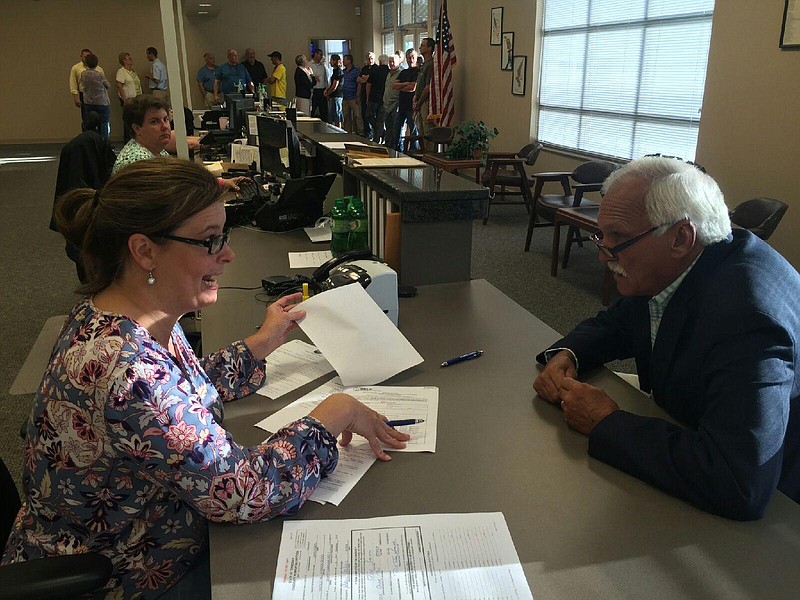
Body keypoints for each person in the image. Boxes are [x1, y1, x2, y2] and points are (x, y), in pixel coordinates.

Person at [2, 158, 410, 598]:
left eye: (224, 236)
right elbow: (244, 493)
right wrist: (336, 412)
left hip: (135, 533)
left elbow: (180, 387)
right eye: (209, 241)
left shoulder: (123, 314)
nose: (228, 254)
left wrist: (261, 342)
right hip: (127, 572)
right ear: (144, 251)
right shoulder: (128, 371)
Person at [533, 155, 800, 521]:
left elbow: (739, 482)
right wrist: (568, 354)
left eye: (619, 238)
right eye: (601, 234)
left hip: (778, 504)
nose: (601, 254)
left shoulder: (748, 319)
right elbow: (620, 324)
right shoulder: (684, 259)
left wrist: (606, 422)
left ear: (680, 237)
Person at [69, 48, 105, 131]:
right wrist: (76, 97)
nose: (86, 58)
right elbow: (73, 84)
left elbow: (104, 83)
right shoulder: (76, 68)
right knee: (87, 119)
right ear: (81, 57)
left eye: (88, 56)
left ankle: (100, 139)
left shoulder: (99, 69)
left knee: (100, 119)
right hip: (84, 95)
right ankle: (87, 138)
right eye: (84, 56)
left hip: (98, 96)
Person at [80, 54, 111, 139]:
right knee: (104, 123)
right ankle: (104, 143)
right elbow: (108, 85)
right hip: (101, 102)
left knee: (89, 124)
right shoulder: (99, 75)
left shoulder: (83, 74)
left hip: (88, 102)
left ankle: (90, 141)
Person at [394, 48, 419, 151]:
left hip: (412, 106)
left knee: (413, 130)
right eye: (408, 58)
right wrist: (406, 83)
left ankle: (413, 151)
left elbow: (412, 88)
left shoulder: (418, 71)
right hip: (402, 105)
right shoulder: (404, 72)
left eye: (412, 57)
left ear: (416, 58)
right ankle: (398, 150)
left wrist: (402, 86)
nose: (410, 59)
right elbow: (394, 85)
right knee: (397, 129)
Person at [413, 38, 436, 150]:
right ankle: (423, 153)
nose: (420, 47)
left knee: (427, 130)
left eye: (422, 45)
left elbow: (428, 87)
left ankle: (429, 156)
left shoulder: (431, 64)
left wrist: (419, 102)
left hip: (426, 102)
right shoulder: (423, 64)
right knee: (420, 130)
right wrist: (415, 98)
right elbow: (419, 84)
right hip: (419, 101)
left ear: (429, 48)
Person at [115, 52, 142, 142]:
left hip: (137, 99)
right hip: (128, 100)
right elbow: (119, 86)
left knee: (137, 119)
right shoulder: (121, 72)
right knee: (128, 120)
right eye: (129, 58)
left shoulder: (133, 72)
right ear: (124, 61)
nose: (131, 60)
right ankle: (128, 140)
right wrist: (125, 99)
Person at [366, 54, 390, 144]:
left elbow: (368, 85)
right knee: (380, 120)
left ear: (379, 62)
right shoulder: (389, 72)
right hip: (384, 99)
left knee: (369, 116)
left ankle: (377, 138)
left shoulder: (374, 71)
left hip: (373, 98)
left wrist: (367, 97)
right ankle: (380, 134)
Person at [382, 54, 402, 150]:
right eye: (390, 62)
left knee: (395, 128)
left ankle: (396, 147)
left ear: (398, 62)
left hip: (395, 104)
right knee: (388, 127)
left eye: (393, 61)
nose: (391, 63)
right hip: (387, 104)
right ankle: (388, 145)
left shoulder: (401, 73)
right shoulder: (388, 74)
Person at [340, 54, 362, 135]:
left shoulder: (356, 71)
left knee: (357, 116)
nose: (343, 61)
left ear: (349, 61)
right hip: (345, 97)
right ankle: (347, 133)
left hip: (354, 97)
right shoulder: (343, 72)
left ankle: (360, 133)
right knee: (346, 116)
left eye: (344, 60)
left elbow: (359, 83)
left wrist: (358, 95)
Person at [358, 52, 375, 139]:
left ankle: (374, 132)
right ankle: (367, 132)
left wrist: (365, 78)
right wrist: (366, 78)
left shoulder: (376, 68)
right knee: (363, 114)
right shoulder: (364, 68)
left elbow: (369, 80)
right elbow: (358, 79)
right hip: (363, 95)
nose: (370, 60)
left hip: (372, 96)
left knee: (371, 115)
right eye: (368, 58)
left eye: (371, 58)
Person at [310, 48, 330, 121]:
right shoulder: (309, 65)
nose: (322, 56)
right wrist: (314, 77)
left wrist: (327, 90)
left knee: (324, 112)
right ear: (315, 54)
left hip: (322, 91)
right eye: (320, 55)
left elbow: (326, 79)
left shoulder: (323, 66)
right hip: (313, 90)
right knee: (312, 110)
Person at [324, 53, 344, 128]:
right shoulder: (335, 71)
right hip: (334, 96)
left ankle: (338, 131)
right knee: (333, 115)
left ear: (334, 61)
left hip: (336, 96)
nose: (330, 62)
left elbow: (335, 85)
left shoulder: (338, 71)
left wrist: (328, 93)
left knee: (337, 115)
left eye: (331, 60)